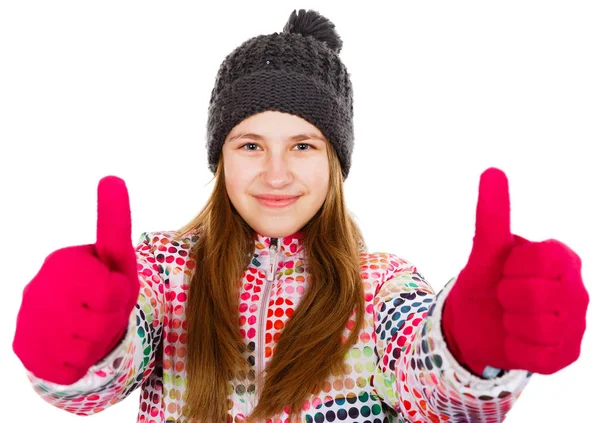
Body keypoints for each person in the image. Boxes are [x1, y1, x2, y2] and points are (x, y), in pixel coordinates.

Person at [12, 8, 589, 423]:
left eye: (304, 145)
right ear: (220, 158)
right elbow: (93, 388)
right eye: (251, 145)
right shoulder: (164, 271)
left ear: (336, 160)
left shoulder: (381, 283)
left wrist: (468, 349)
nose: (278, 174)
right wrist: (84, 347)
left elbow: (430, 389)